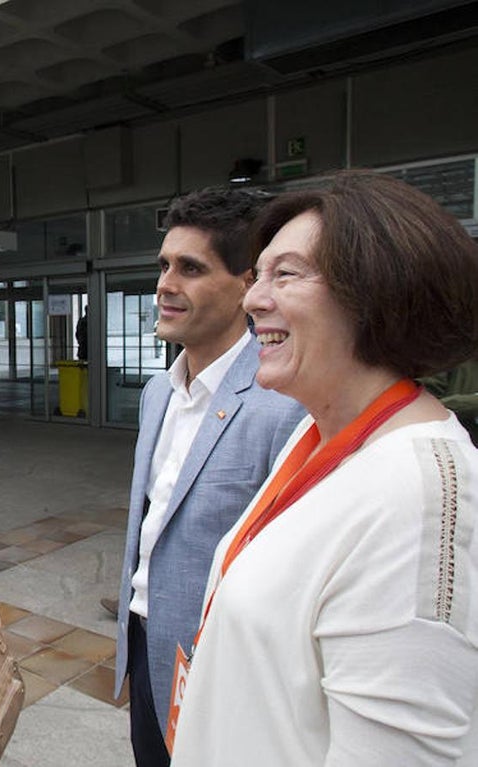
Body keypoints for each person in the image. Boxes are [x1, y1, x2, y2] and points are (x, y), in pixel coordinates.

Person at [170, 170, 478, 765]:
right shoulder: (318, 431)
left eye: (284, 274)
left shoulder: (421, 495)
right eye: (257, 276)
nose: (254, 298)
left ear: (379, 290)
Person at [110, 187, 305, 767]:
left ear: (249, 284)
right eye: (164, 265)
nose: (165, 284)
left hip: (226, 671)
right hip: (146, 646)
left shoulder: (285, 404)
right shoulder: (156, 393)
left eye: (191, 269)